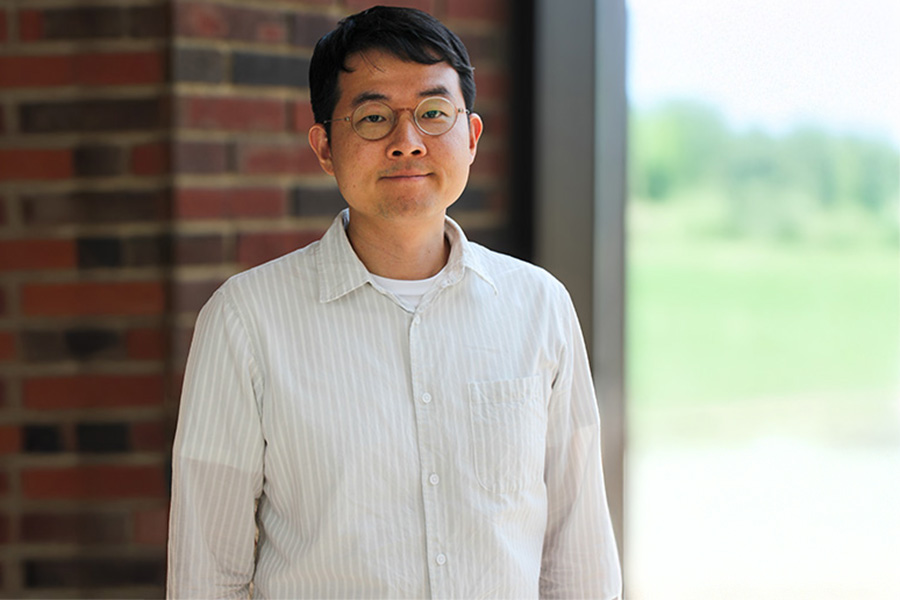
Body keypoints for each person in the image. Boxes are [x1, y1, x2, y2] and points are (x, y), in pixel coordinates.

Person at [167, 6, 621, 599]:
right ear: (325, 146)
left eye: (434, 114)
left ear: (472, 136)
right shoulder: (246, 321)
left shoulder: (539, 307)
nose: (408, 143)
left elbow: (577, 556)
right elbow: (207, 574)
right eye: (374, 118)